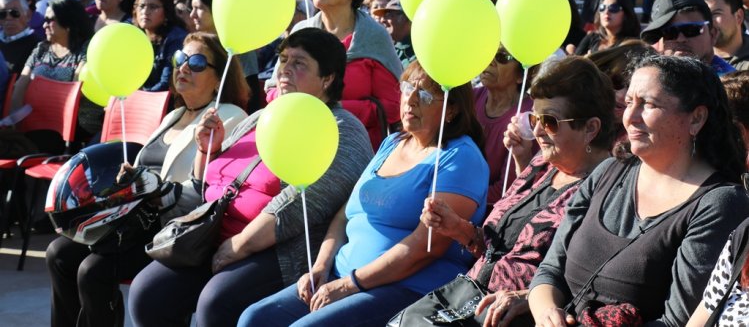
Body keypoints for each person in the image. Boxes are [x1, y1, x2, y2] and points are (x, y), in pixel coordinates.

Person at [128, 28, 374, 327]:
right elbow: (207, 185)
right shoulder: (262, 116)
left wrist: (239, 245)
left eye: (300, 63)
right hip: (214, 233)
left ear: (328, 78)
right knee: (147, 294)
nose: (285, 69)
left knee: (216, 302)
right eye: (283, 59)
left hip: (277, 247)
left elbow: (302, 202)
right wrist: (208, 151)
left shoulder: (342, 129)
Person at [240, 60, 489, 327]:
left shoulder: (461, 158)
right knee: (255, 318)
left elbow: (425, 249)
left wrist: (351, 284)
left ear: (451, 109)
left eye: (426, 94)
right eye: (407, 87)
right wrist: (321, 267)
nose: (411, 100)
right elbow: (346, 214)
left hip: (407, 288)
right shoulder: (391, 143)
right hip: (343, 274)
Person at [528, 54, 749, 326]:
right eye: (629, 102)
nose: (630, 117)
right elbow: (550, 270)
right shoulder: (607, 172)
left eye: (648, 105)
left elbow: (677, 321)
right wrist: (547, 314)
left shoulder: (719, 203)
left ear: (696, 118)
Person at [46, 32, 249, 327]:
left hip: (175, 232)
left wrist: (158, 190)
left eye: (196, 62)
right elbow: (146, 172)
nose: (184, 68)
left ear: (220, 78)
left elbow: (213, 194)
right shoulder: (175, 114)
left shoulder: (229, 118)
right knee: (58, 253)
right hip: (136, 222)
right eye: (180, 59)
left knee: (93, 270)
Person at [406, 56, 614, 327]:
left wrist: (530, 298)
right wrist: (457, 227)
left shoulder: (607, 188)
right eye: (534, 118)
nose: (538, 131)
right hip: (467, 299)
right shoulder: (541, 165)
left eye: (549, 121)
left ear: (590, 128)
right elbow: (496, 246)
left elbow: (596, 282)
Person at [267, 0, 402, 149]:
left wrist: (329, 110)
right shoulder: (301, 31)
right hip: (295, 142)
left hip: (354, 149)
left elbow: (392, 106)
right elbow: (271, 90)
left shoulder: (373, 36)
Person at [9, 0, 98, 144]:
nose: (44, 25)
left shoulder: (87, 49)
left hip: (75, 126)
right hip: (38, 122)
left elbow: (76, 90)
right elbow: (21, 85)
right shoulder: (41, 49)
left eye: (50, 20)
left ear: (68, 23)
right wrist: (14, 123)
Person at [472, 45, 535, 206]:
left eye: (501, 57)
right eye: (488, 53)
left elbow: (507, 187)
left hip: (488, 209)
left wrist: (463, 200)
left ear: (521, 76)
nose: (491, 61)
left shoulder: (527, 115)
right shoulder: (471, 97)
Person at [189, 0, 262, 113]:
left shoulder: (239, 46)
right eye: (192, 8)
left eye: (199, 8)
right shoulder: (196, 45)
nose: (192, 15)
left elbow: (252, 95)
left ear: (216, 10)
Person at [642, 0, 735, 75]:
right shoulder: (649, 82)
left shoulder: (733, 87)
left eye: (691, 30)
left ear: (713, 34)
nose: (680, 39)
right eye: (669, 32)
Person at [133, 0, 188, 91]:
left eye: (153, 7)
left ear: (167, 12)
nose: (145, 11)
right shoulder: (133, 35)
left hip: (165, 102)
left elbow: (166, 83)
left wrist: (137, 97)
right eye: (141, 6)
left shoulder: (176, 38)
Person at [573, 0, 640, 55]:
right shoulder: (592, 37)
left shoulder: (632, 44)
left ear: (626, 14)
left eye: (613, 8)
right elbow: (575, 61)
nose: (606, 12)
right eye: (602, 8)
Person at [701, 0, 749, 70]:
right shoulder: (696, 60)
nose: (709, 22)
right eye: (705, 16)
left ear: (738, 16)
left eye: (716, 13)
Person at [0, 0, 41, 75]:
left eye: (14, 13)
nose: (8, 18)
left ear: (28, 15)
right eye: (2, 14)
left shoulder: (38, 46)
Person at [371, 0, 414, 69]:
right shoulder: (388, 49)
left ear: (404, 17)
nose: (382, 20)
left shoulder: (421, 50)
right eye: (383, 16)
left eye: (388, 15)